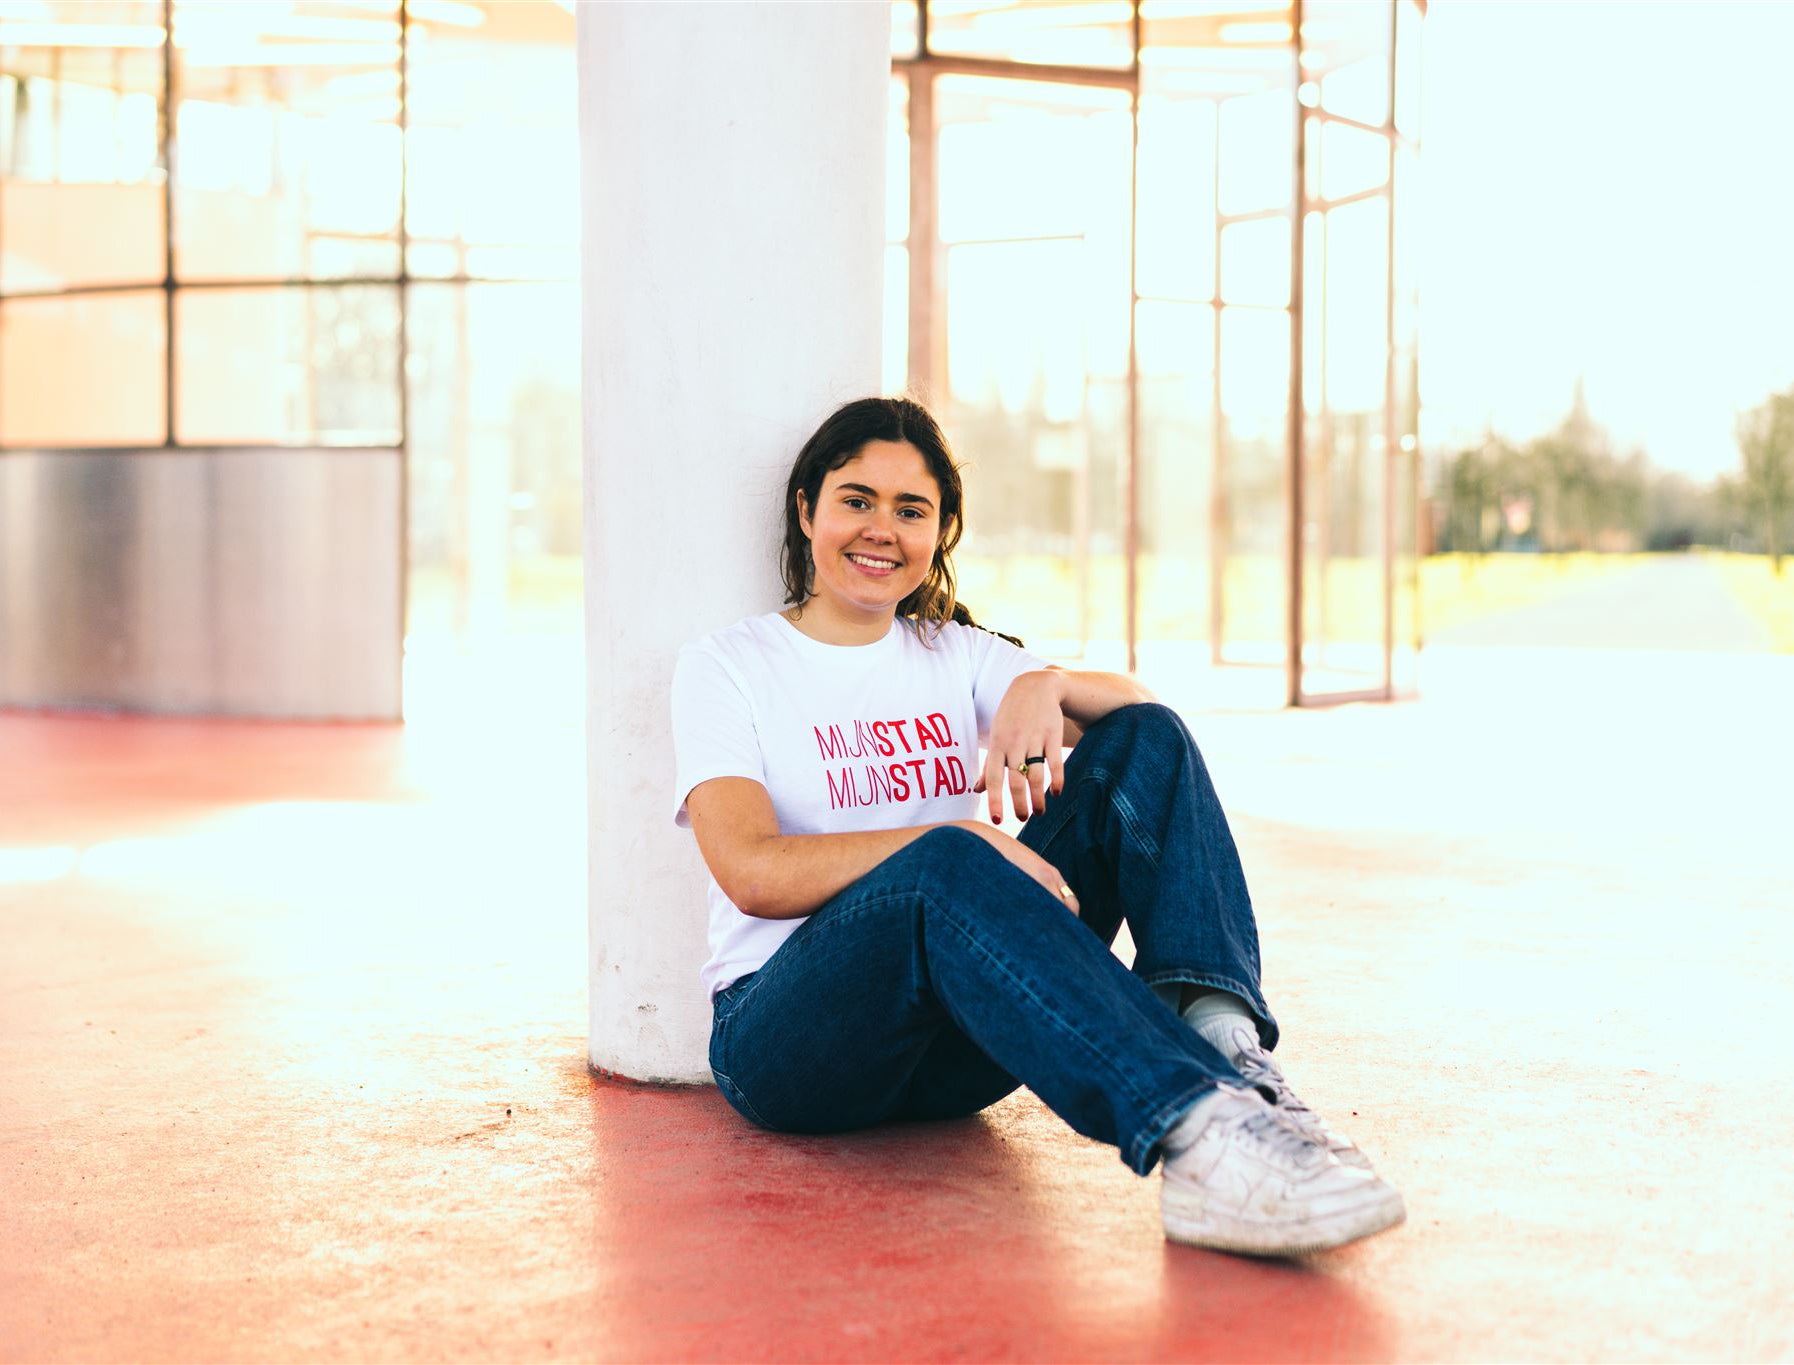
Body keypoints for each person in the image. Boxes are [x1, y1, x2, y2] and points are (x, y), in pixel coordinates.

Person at [669, 396, 1405, 1256]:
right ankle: (1202, 1133)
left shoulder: (955, 653)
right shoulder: (728, 665)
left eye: (912, 510)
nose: (881, 529)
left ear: (940, 532)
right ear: (807, 509)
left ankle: (1227, 1051)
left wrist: (1045, 682)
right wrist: (955, 844)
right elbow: (750, 868)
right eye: (856, 499)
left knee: (1144, 742)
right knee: (945, 858)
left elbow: (1148, 728)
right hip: (788, 1044)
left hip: (954, 1051)